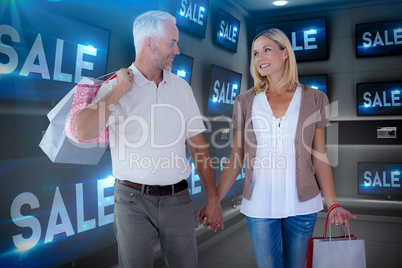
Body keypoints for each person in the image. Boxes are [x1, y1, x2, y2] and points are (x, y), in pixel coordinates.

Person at [197, 28, 356, 268]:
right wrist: (214, 200)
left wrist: (332, 203)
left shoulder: (315, 99)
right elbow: (236, 159)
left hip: (302, 206)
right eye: (255, 53)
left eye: (267, 50)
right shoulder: (245, 101)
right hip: (259, 205)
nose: (260, 58)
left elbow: (319, 156)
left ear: (285, 54)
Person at [75, 10, 223, 268]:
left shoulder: (181, 87)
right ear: (149, 43)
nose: (177, 50)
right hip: (131, 202)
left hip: (178, 199)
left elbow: (198, 146)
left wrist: (212, 199)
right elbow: (83, 131)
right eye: (172, 43)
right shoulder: (114, 87)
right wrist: (121, 89)